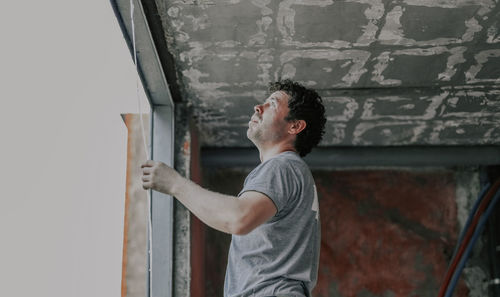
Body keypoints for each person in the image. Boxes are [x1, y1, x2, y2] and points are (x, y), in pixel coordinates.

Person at [141, 79, 326, 297]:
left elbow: (239, 218)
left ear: (295, 126)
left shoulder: (282, 167)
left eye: (272, 104)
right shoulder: (291, 171)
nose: (258, 107)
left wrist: (174, 184)